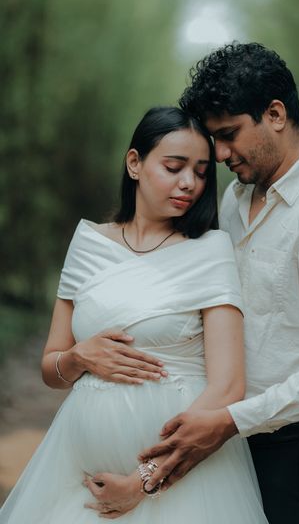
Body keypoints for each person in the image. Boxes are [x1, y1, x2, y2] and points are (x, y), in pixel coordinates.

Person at [127, 43, 299, 524]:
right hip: (237, 440)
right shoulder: (235, 198)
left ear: (275, 113)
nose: (220, 154)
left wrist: (229, 420)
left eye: (229, 135)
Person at [0, 106, 269, 523]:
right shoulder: (88, 242)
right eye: (174, 166)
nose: (189, 183)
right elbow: (51, 369)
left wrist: (145, 479)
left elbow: (229, 386)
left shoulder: (210, 251)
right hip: (78, 480)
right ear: (134, 164)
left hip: (185, 487)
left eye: (200, 172)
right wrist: (78, 358)